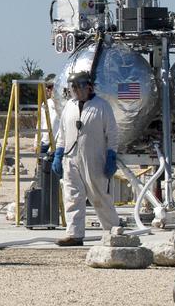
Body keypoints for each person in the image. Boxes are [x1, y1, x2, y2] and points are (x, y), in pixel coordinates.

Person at [50, 70, 119, 246]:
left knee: (99, 196)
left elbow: (112, 133)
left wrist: (111, 154)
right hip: (70, 157)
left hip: (94, 158)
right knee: (72, 196)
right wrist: (58, 153)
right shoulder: (69, 107)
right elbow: (62, 134)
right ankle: (74, 234)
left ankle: (113, 232)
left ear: (88, 87)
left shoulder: (102, 106)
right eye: (72, 88)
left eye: (78, 87)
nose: (75, 91)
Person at [38, 74, 60, 151]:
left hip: (57, 142)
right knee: (41, 162)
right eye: (47, 87)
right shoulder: (45, 103)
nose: (48, 89)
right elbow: (40, 123)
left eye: (50, 87)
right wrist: (35, 143)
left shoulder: (63, 103)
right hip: (45, 141)